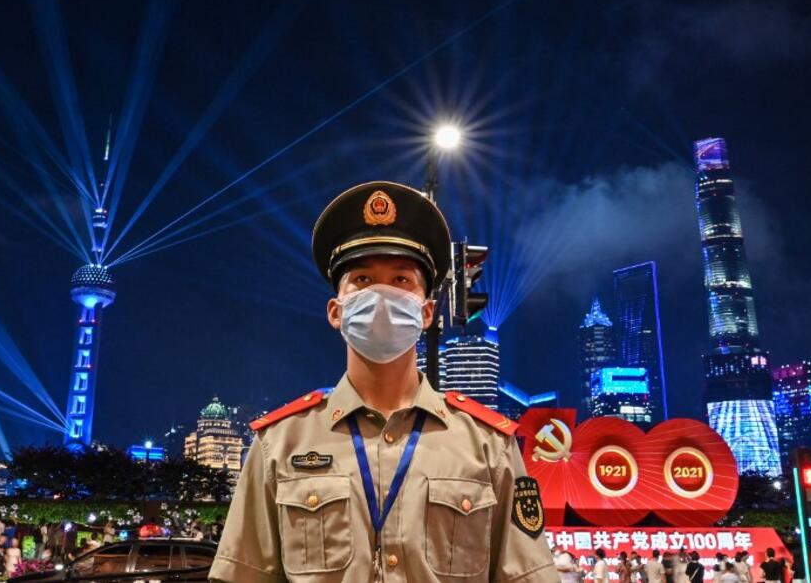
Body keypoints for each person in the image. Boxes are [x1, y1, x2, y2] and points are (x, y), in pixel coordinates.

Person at [209, 181, 557, 582]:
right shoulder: (279, 445)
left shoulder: (488, 447)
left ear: (427, 312)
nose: (380, 294)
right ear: (335, 311)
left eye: (401, 280)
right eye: (360, 279)